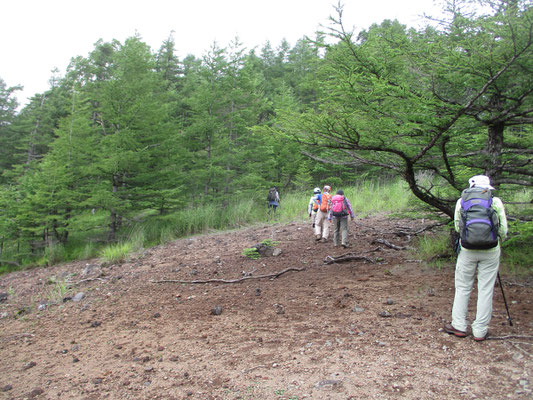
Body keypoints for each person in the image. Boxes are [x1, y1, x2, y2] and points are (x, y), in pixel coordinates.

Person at [444, 175, 508, 342]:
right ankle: (480, 331)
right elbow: (503, 230)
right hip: (491, 250)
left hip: (467, 249)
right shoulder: (495, 202)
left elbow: (459, 227)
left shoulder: (461, 201)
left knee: (463, 287)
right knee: (486, 289)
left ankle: (458, 326)